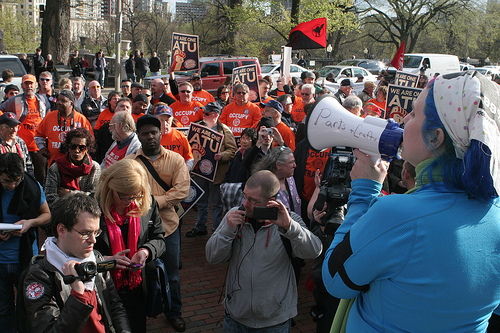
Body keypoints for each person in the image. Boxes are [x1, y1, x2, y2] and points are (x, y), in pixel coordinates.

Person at [322, 72, 500, 332]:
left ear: (435, 137)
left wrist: (364, 190)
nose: (404, 118)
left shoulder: (395, 215)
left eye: (415, 114)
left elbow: (334, 278)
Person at [206, 170, 322, 332]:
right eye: (244, 196)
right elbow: (212, 257)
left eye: (253, 200)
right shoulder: (234, 216)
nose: (245, 203)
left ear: (271, 201)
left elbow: (314, 251)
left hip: (274, 321)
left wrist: (290, 228)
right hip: (236, 317)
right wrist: (227, 230)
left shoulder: (289, 220)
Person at [22, 192, 131, 333]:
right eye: (85, 233)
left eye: (96, 232)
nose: (93, 240)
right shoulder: (40, 277)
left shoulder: (95, 258)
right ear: (61, 230)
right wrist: (78, 295)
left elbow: (115, 306)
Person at [127, 114, 190, 332]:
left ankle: (174, 313)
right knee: (140, 274)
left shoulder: (176, 159)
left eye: (154, 132)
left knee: (171, 274)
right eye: (145, 133)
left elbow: (182, 191)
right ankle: (142, 314)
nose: (150, 137)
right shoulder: (131, 163)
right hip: (139, 231)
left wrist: (150, 203)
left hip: (168, 228)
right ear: (139, 136)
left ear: (160, 133)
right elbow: (124, 190)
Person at [94, 158, 166, 333]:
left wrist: (145, 251)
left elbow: (159, 238)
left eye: (135, 195)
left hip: (136, 288)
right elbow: (78, 250)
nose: (129, 201)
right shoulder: (91, 207)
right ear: (111, 186)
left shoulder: (146, 203)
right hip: (103, 289)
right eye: (123, 195)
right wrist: (106, 260)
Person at [0, 153, 50, 333]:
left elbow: (46, 215)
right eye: (6, 182)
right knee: (3, 310)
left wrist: (30, 223)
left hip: (25, 257)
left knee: (28, 308)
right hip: (1, 261)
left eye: (16, 181)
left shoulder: (31, 186)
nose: (12, 186)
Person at [186, 102, 236, 237]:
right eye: (203, 113)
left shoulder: (225, 130)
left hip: (216, 174)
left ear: (215, 115)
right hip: (200, 173)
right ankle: (200, 227)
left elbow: (233, 150)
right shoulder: (198, 128)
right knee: (201, 202)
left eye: (206, 113)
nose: (203, 115)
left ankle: (217, 231)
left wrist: (222, 156)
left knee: (216, 204)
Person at [0, 74, 50, 185]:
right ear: (22, 85)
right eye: (26, 84)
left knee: (41, 178)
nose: (29, 86)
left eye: (31, 83)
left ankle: (39, 200)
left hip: (38, 147)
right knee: (22, 176)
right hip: (20, 146)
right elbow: (1, 111)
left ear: (36, 85)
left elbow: (48, 115)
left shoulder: (42, 100)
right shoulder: (14, 100)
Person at [35, 89, 93, 167]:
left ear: (71, 103)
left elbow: (90, 141)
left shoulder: (81, 119)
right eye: (58, 100)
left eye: (63, 101)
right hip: (54, 163)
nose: (59, 103)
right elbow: (38, 135)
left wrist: (81, 154)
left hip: (75, 165)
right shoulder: (49, 117)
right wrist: (41, 148)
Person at [44, 128, 100, 208]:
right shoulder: (56, 167)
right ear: (68, 147)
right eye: (73, 146)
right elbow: (49, 198)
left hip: (86, 212)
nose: (77, 151)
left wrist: (72, 194)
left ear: (87, 149)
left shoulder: (94, 168)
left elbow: (96, 196)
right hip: (62, 212)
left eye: (81, 147)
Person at [155, 104, 193, 170]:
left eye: (167, 120)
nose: (165, 124)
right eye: (161, 120)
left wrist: (186, 170)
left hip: (177, 173)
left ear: (172, 119)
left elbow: (189, 157)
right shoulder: (153, 137)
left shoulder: (181, 137)